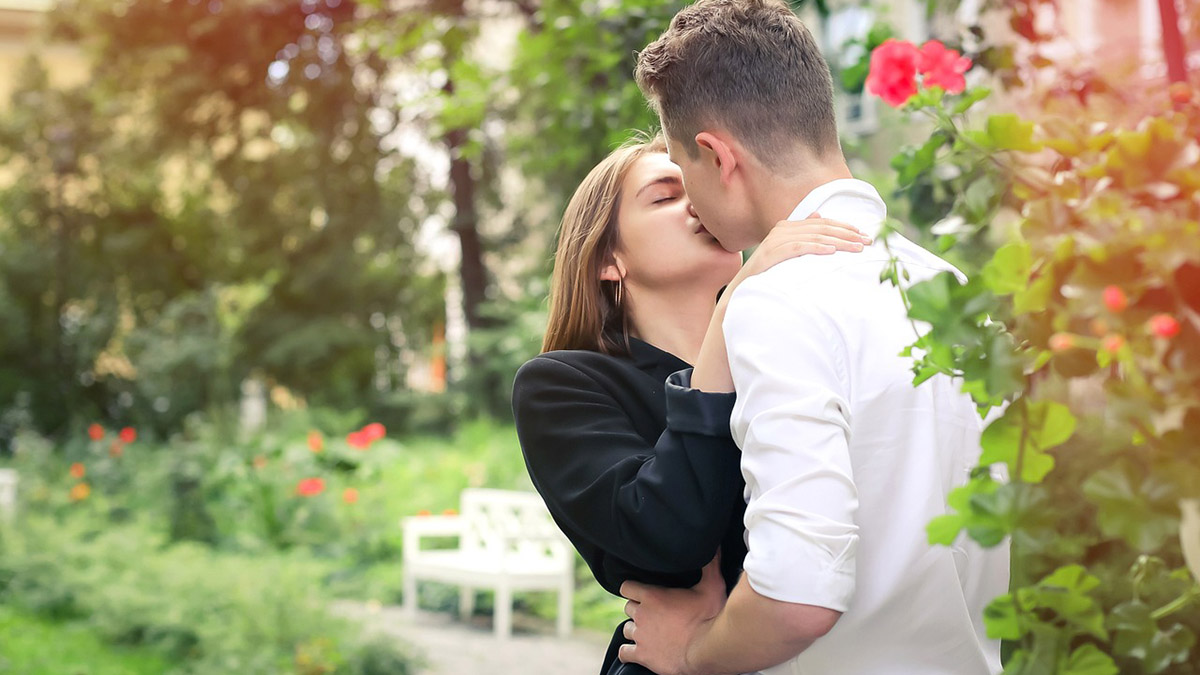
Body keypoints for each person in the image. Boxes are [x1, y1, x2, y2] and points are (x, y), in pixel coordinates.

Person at [617, 2, 1011, 674]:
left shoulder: (778, 298)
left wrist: (691, 654)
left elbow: (799, 595)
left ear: (717, 157)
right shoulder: (954, 291)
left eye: (685, 178)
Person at [511, 133, 869, 675]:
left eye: (697, 186)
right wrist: (732, 311)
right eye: (664, 195)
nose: (695, 204)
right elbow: (663, 537)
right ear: (609, 259)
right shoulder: (559, 384)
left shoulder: (785, 355)